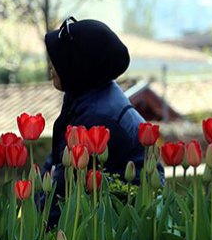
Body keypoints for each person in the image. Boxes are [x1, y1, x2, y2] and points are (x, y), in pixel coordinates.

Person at [41, 17, 163, 227]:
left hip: (120, 227)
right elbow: (56, 166)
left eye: (59, 59)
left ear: (79, 67)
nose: (51, 65)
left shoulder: (98, 119)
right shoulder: (88, 95)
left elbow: (61, 189)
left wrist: (37, 227)